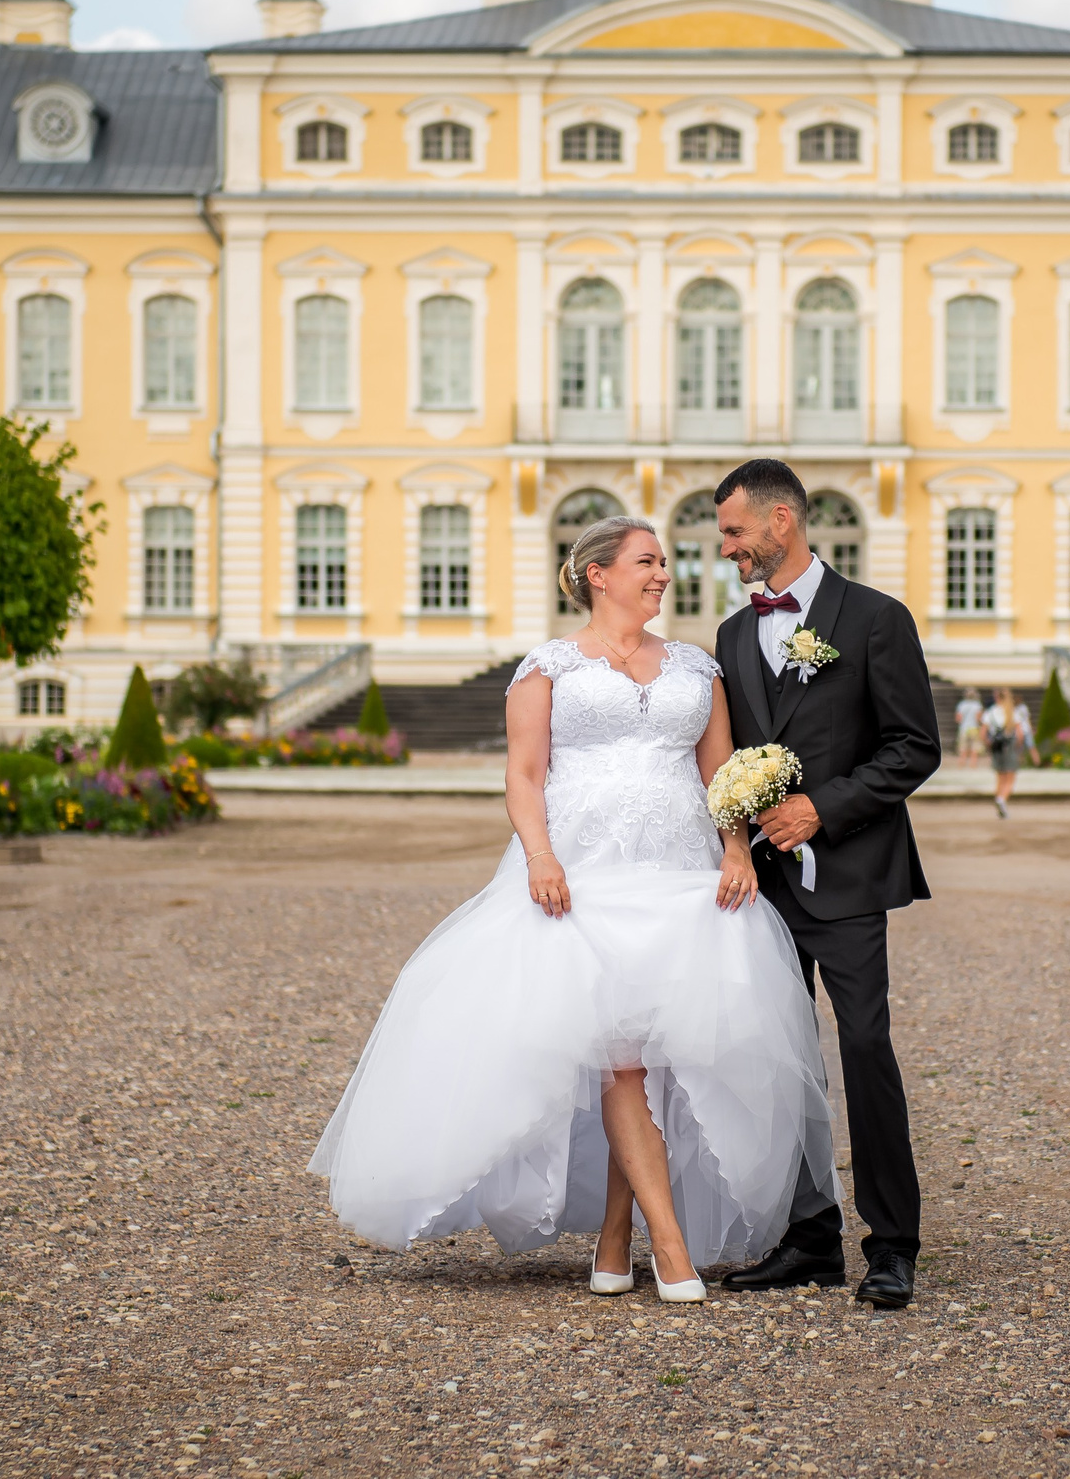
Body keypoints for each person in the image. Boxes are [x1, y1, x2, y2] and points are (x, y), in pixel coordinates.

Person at [312, 515, 835, 1303]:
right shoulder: (547, 666)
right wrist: (541, 856)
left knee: (655, 1052)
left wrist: (734, 848)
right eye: (647, 562)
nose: (663, 574)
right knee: (621, 1054)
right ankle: (670, 1242)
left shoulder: (696, 667)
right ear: (598, 574)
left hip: (680, 877)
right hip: (583, 877)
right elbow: (525, 775)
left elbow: (719, 770)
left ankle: (616, 1239)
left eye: (664, 562)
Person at [709, 458, 942, 1310]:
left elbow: (915, 747)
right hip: (761, 890)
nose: (726, 547)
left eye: (735, 531)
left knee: (865, 1048)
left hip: (847, 876)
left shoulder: (877, 619)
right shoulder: (734, 638)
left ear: (781, 522)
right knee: (779, 1059)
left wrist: (822, 809)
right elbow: (728, 758)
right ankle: (809, 1234)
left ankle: (893, 1242)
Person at [983, 685, 1031, 818]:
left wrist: (989, 746)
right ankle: (1002, 800)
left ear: (996, 697)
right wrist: (1018, 748)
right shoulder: (1012, 712)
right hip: (1010, 746)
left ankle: (999, 800)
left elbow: (983, 733)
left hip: (996, 746)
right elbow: (1020, 735)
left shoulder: (990, 712)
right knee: (1010, 778)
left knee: (1000, 777)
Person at [953, 688, 984, 766]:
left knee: (963, 747)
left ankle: (961, 763)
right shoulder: (977, 705)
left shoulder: (961, 705)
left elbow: (958, 718)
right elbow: (979, 718)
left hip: (964, 728)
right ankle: (973, 764)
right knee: (974, 747)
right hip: (974, 728)